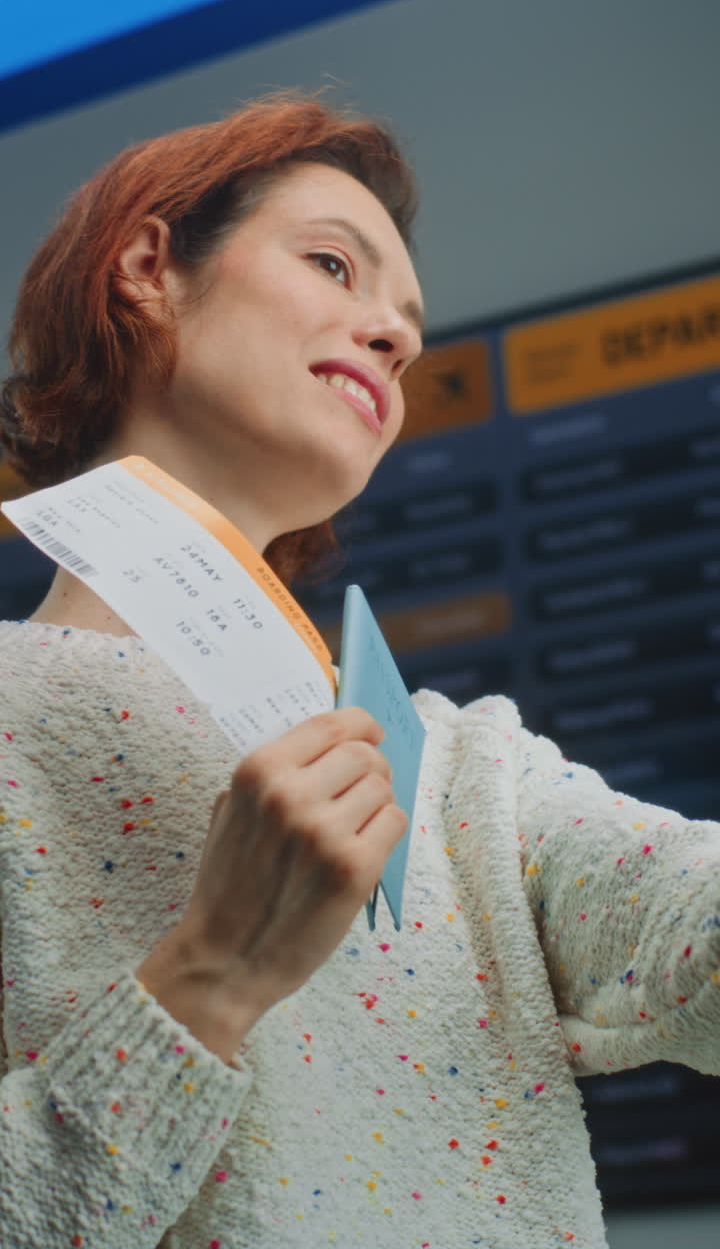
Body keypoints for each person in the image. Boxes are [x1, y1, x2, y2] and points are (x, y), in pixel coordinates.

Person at [0, 93, 718, 1249]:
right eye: (336, 265)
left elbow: (692, 917)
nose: (395, 333)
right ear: (147, 265)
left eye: (411, 325)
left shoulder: (455, 765)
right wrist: (211, 978)